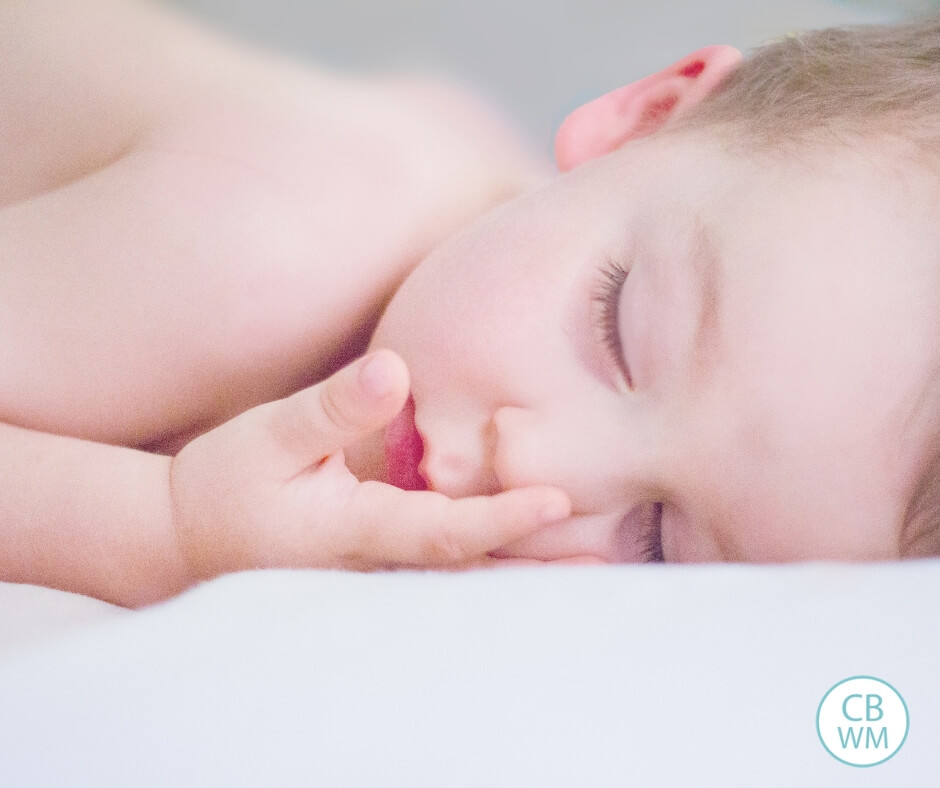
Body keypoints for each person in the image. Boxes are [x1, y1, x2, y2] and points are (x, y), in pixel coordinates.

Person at [2, 1, 938, 607]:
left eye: (659, 545)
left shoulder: (558, 239)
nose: (536, 462)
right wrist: (168, 531)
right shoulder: (264, 244)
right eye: (619, 327)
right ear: (644, 117)